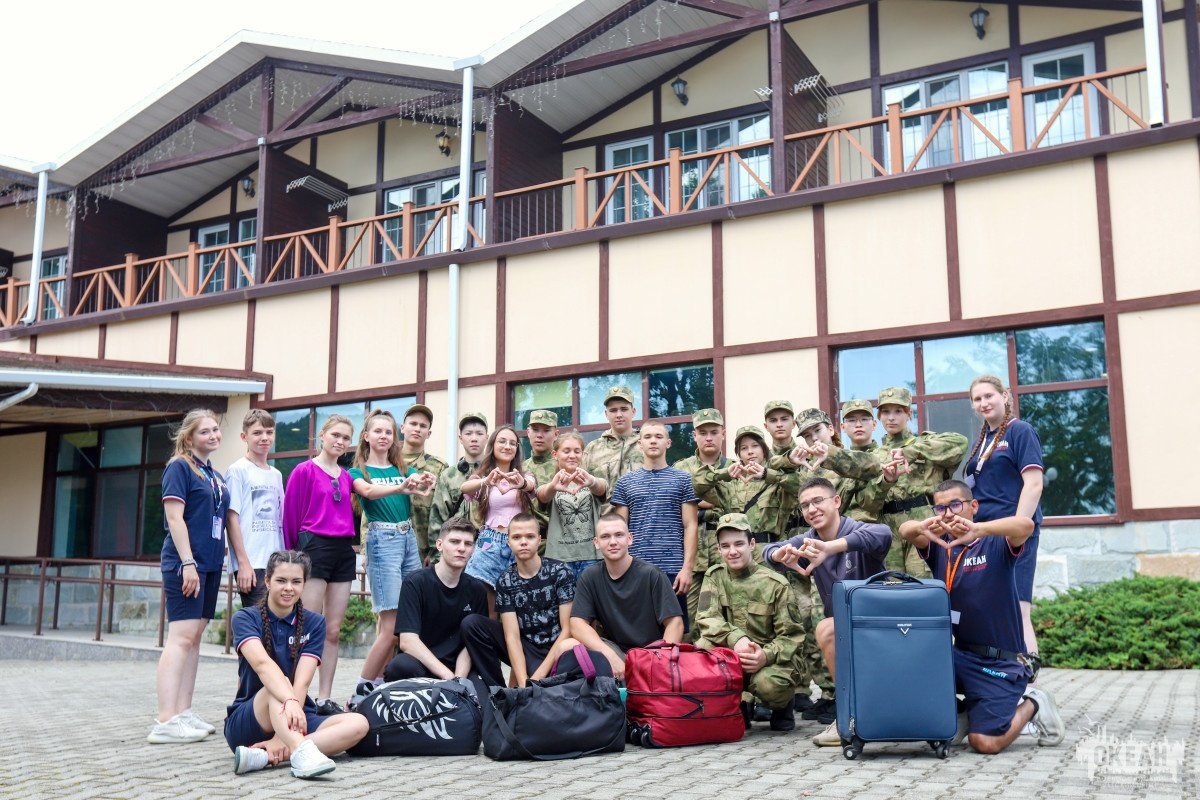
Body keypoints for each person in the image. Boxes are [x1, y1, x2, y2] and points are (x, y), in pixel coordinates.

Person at [899, 480, 1064, 753]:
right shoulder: (941, 546)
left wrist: (979, 528)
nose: (948, 513)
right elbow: (905, 530)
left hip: (999, 663)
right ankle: (964, 712)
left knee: (985, 743)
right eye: (940, 507)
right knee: (906, 665)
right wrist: (927, 526)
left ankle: (1034, 702)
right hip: (960, 655)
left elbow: (1026, 525)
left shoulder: (994, 541)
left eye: (955, 504)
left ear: (973, 506)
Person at [761, 477, 891, 747]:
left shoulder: (857, 529)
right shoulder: (807, 539)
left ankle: (848, 714)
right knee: (830, 627)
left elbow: (883, 534)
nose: (811, 509)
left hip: (880, 621)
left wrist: (830, 547)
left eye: (818, 501)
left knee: (827, 627)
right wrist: (779, 554)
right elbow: (767, 550)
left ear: (837, 501)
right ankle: (849, 714)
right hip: (846, 626)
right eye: (805, 505)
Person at [225, 550, 369, 778]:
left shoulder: (315, 622)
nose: (288, 588)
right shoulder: (245, 618)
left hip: (295, 712)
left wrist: (281, 735)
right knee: (277, 682)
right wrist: (290, 701)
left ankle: (269, 754)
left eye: (296, 581)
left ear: (304, 584)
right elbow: (263, 665)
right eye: (281, 580)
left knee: (359, 724)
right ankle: (300, 752)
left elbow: (302, 682)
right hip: (250, 718)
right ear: (267, 581)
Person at [346, 408, 436, 709]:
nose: (384, 436)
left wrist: (424, 480)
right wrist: (403, 486)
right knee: (390, 625)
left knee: (409, 620)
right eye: (378, 431)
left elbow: (422, 487)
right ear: (366, 436)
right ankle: (360, 690)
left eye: (388, 431)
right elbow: (369, 493)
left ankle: (382, 684)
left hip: (408, 537)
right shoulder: (357, 472)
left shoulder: (401, 465)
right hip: (382, 541)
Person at [150, 409, 230, 743]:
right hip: (187, 565)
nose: (213, 435)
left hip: (209, 564)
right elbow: (174, 517)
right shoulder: (179, 467)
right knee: (181, 638)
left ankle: (183, 711)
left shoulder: (212, 472)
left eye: (215, 430)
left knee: (194, 639)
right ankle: (165, 720)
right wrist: (187, 563)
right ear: (188, 437)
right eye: (205, 432)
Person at [694, 513, 804, 732]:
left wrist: (765, 655)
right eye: (725, 546)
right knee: (701, 647)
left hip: (769, 661)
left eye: (738, 544)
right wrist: (737, 639)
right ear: (718, 549)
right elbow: (707, 618)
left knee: (769, 686)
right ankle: (736, 704)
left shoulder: (775, 583)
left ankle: (783, 706)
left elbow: (792, 636)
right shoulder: (714, 577)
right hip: (731, 658)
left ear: (752, 544)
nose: (732, 551)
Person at [965, 375, 1046, 673]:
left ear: (1006, 396)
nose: (984, 403)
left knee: (1019, 608)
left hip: (1013, 535)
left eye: (989, 396)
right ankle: (1000, 680)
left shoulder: (1020, 431)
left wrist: (1019, 526)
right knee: (993, 610)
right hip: (985, 534)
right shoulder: (984, 439)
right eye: (978, 399)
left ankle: (1029, 682)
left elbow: (1034, 485)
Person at [281, 414, 357, 715]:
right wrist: (290, 558)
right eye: (335, 435)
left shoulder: (347, 476)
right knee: (306, 626)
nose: (339, 441)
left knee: (333, 629)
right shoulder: (304, 470)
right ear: (322, 436)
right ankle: (297, 695)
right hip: (313, 547)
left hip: (343, 550)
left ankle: (324, 696)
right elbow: (290, 515)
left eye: (345, 438)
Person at [461, 512, 577, 687]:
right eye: (516, 537)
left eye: (529, 536)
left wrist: (537, 677)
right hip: (527, 647)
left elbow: (568, 629)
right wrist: (523, 684)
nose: (523, 541)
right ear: (508, 542)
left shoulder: (560, 572)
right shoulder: (505, 580)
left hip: (557, 648)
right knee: (472, 624)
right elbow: (512, 637)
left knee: (569, 651)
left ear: (539, 540)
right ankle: (498, 691)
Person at [567, 513, 684, 680]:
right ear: (596, 543)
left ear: (630, 538)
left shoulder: (651, 574)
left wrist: (661, 661)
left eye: (619, 535)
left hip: (650, 654)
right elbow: (577, 623)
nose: (613, 542)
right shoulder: (590, 576)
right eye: (605, 537)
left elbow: (675, 623)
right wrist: (609, 654)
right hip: (615, 652)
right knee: (567, 646)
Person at [610, 420, 699, 624]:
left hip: (673, 570)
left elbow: (690, 526)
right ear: (639, 444)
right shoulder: (625, 482)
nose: (653, 441)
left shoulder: (683, 479)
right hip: (635, 569)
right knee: (636, 630)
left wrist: (687, 568)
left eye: (659, 437)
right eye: (647, 437)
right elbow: (619, 530)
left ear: (668, 443)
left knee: (674, 629)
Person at [384, 517, 488, 681]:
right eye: (454, 541)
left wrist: (458, 680)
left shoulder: (477, 590)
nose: (461, 548)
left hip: (459, 667)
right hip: (421, 664)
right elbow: (407, 640)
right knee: (398, 667)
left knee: (484, 694)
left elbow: (471, 644)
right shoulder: (415, 582)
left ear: (473, 549)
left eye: (468, 544)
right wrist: (447, 676)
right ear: (439, 545)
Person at [460, 424, 537, 610]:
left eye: (513, 443)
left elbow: (532, 487)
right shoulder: (482, 477)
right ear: (493, 445)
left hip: (518, 541)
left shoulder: (524, 475)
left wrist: (521, 483)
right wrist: (486, 481)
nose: (507, 446)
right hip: (490, 541)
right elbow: (464, 489)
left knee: (519, 601)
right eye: (502, 441)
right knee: (486, 601)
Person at [672, 408, 733, 630]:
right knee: (688, 620)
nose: (709, 437)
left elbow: (739, 507)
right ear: (694, 435)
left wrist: (693, 501)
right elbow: (674, 507)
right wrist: (712, 502)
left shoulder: (735, 468)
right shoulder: (680, 469)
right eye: (703, 432)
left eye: (714, 432)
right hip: (692, 557)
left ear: (723, 434)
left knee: (730, 616)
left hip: (727, 554)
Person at [225, 409, 285, 610]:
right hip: (251, 562)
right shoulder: (237, 470)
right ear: (244, 436)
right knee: (258, 623)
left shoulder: (276, 474)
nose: (264, 438)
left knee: (276, 626)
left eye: (269, 432)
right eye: (257, 433)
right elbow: (231, 517)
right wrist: (242, 563)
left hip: (277, 561)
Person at [536, 430, 608, 580]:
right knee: (564, 602)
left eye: (577, 451)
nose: (572, 455)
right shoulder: (552, 484)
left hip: (591, 556)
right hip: (559, 558)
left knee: (590, 602)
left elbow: (602, 487)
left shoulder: (590, 480)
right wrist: (553, 487)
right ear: (555, 454)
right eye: (566, 451)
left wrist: (592, 482)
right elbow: (542, 495)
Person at [429, 411, 489, 548]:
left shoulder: (495, 473)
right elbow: (438, 517)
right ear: (460, 438)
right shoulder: (448, 475)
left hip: (489, 548)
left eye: (479, 433)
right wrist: (435, 553)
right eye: (468, 433)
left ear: (487, 438)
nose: (474, 438)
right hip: (457, 548)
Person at [399, 404, 449, 564]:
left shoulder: (438, 467)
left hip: (422, 552)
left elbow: (442, 513)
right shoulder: (386, 463)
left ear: (429, 433)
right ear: (402, 428)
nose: (417, 429)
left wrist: (435, 552)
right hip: (388, 547)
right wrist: (365, 549)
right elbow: (370, 508)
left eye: (423, 426)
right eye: (413, 424)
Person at [582, 385, 644, 509]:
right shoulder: (593, 449)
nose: (619, 414)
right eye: (613, 410)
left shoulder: (646, 443)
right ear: (606, 414)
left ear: (633, 411)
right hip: (604, 523)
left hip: (642, 521)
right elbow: (582, 490)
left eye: (624, 409)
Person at [523, 409, 559, 535]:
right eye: (535, 429)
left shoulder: (562, 467)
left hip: (555, 539)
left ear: (556, 434)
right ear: (528, 432)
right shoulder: (519, 468)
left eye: (546, 430)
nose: (539, 435)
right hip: (524, 539)